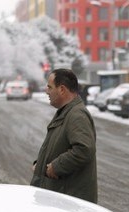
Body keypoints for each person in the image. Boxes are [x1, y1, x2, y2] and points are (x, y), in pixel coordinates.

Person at [30, 68, 98, 203]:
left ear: (61, 89)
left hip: (69, 203)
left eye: (50, 87)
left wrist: (56, 167)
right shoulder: (66, 112)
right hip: (60, 199)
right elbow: (59, 147)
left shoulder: (77, 115)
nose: (46, 91)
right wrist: (40, 165)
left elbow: (84, 150)